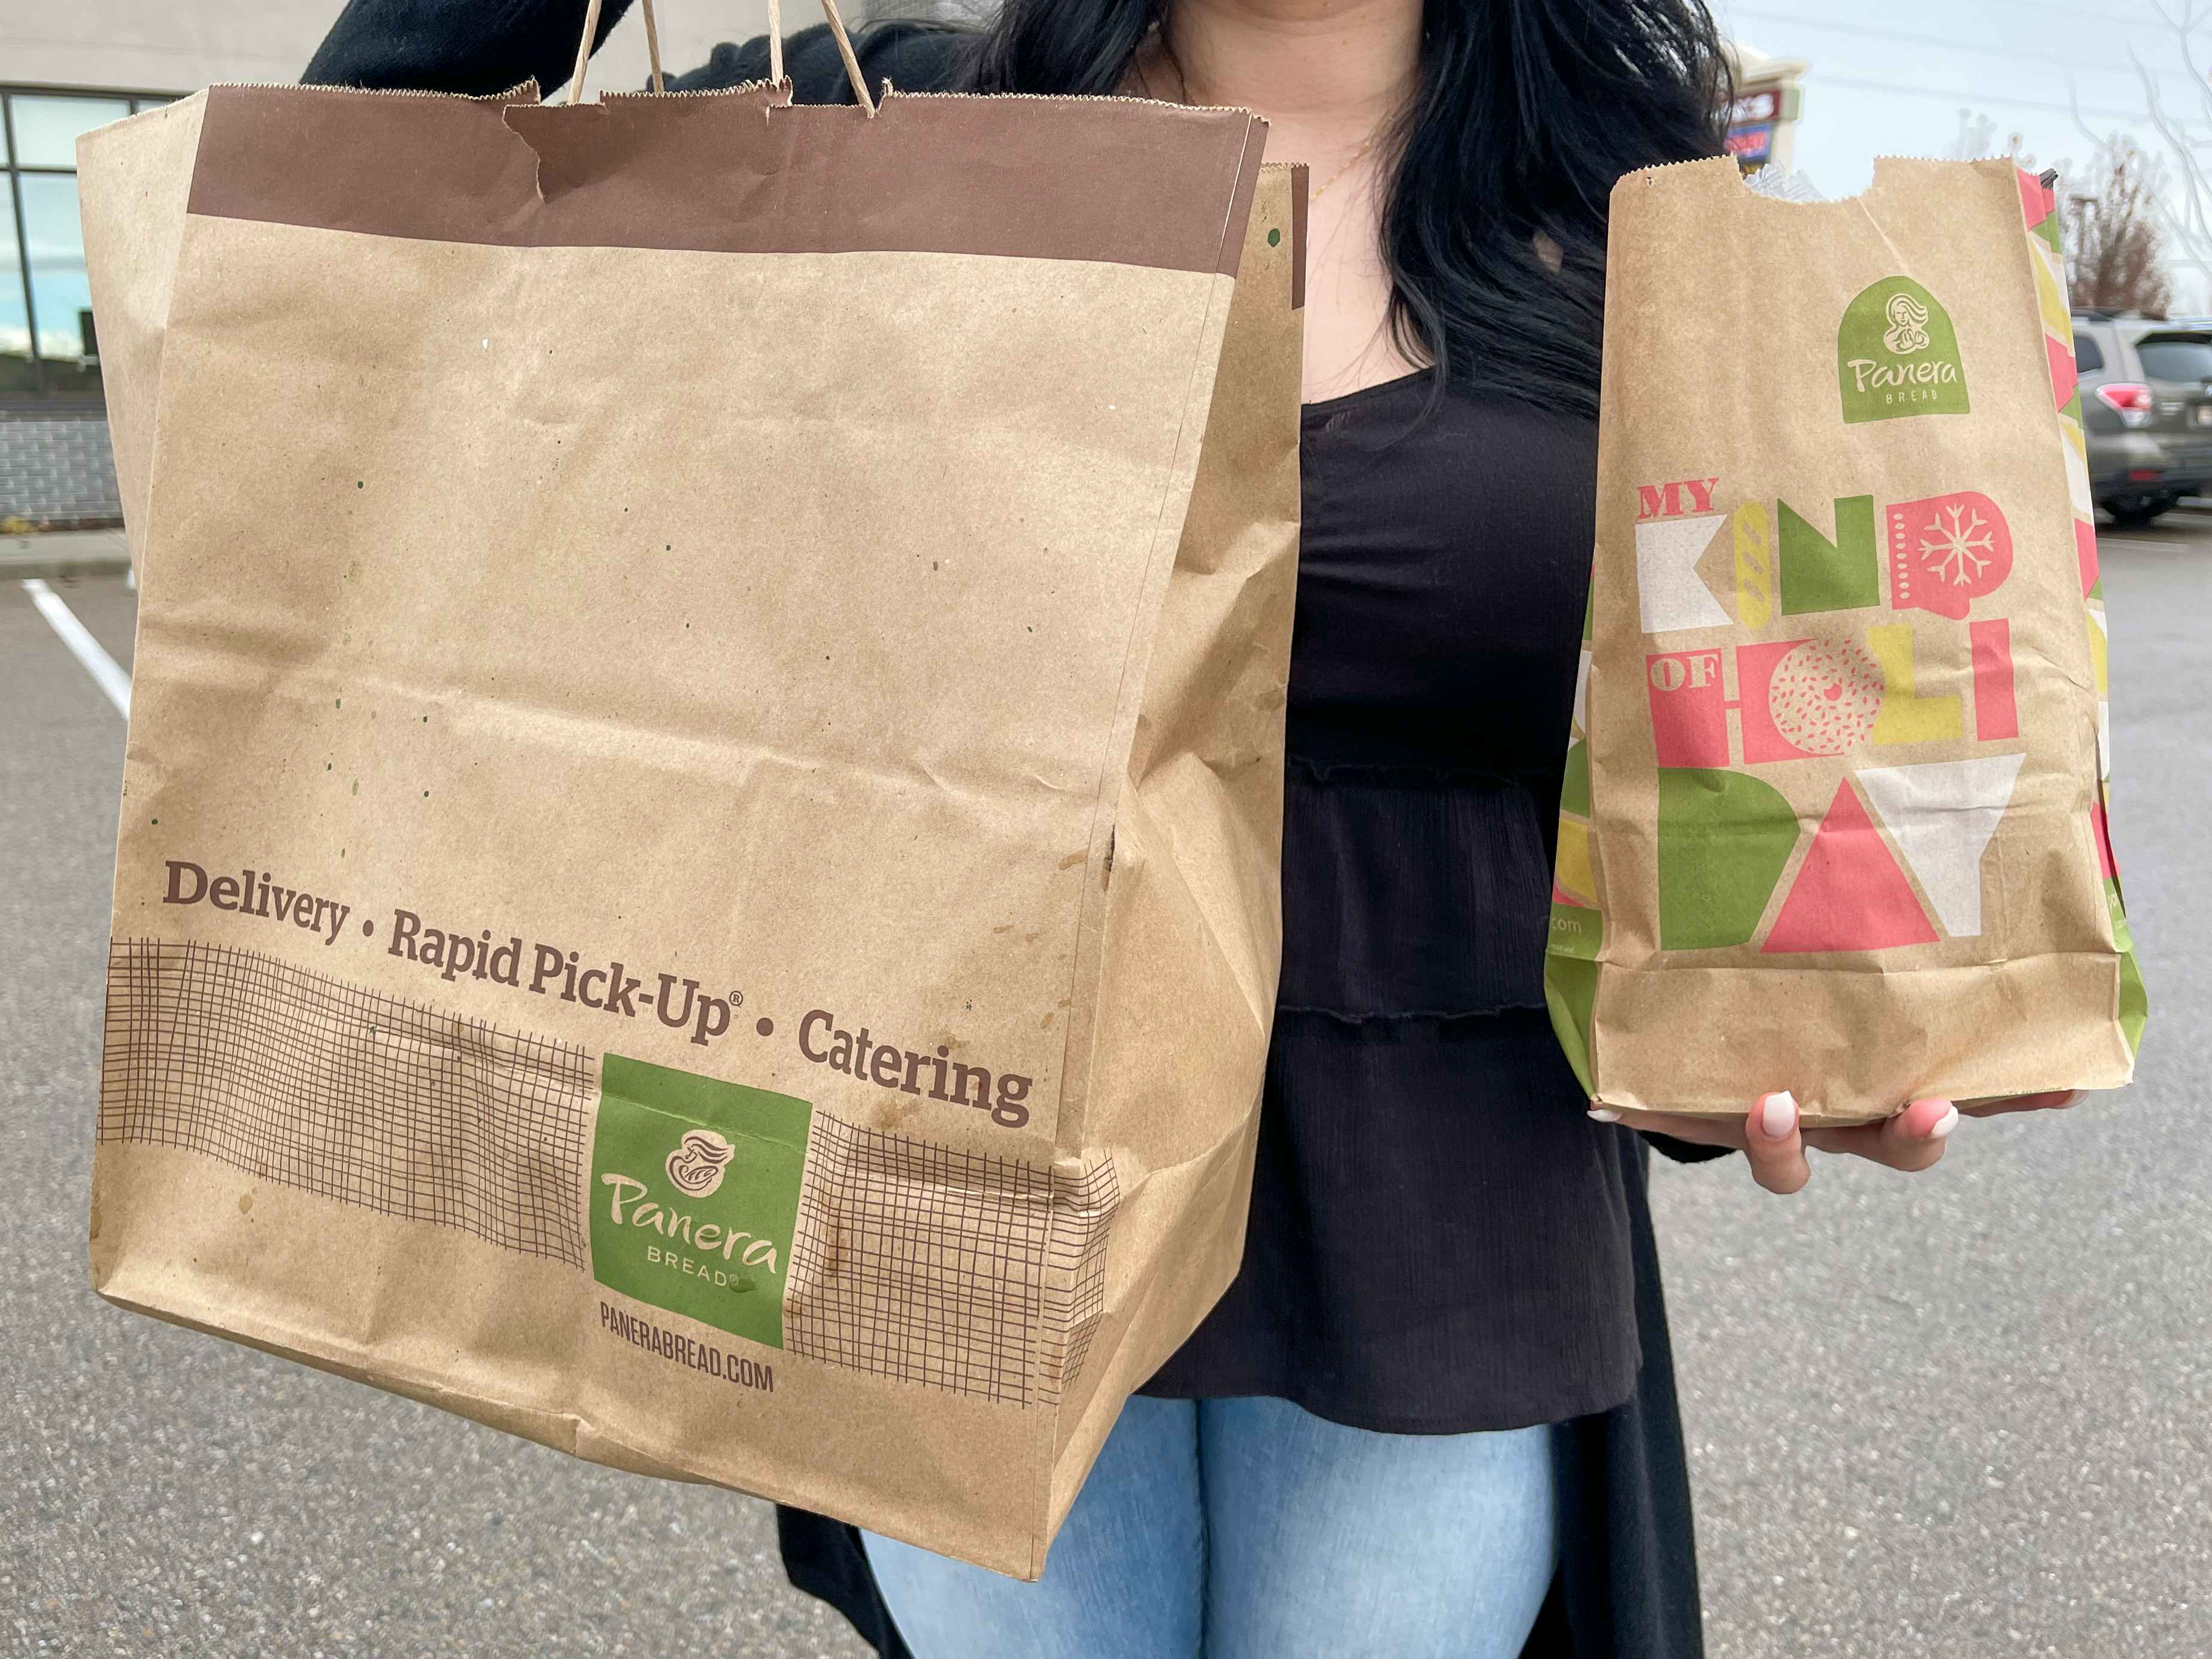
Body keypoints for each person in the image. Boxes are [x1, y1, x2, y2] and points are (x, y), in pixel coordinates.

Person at [305, 4, 2079, 1655]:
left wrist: (1792, 1042)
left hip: (1448, 1190)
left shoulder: (1624, 195)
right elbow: (338, 217)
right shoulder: (895, 115)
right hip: (960, 1156)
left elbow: (1698, 739)